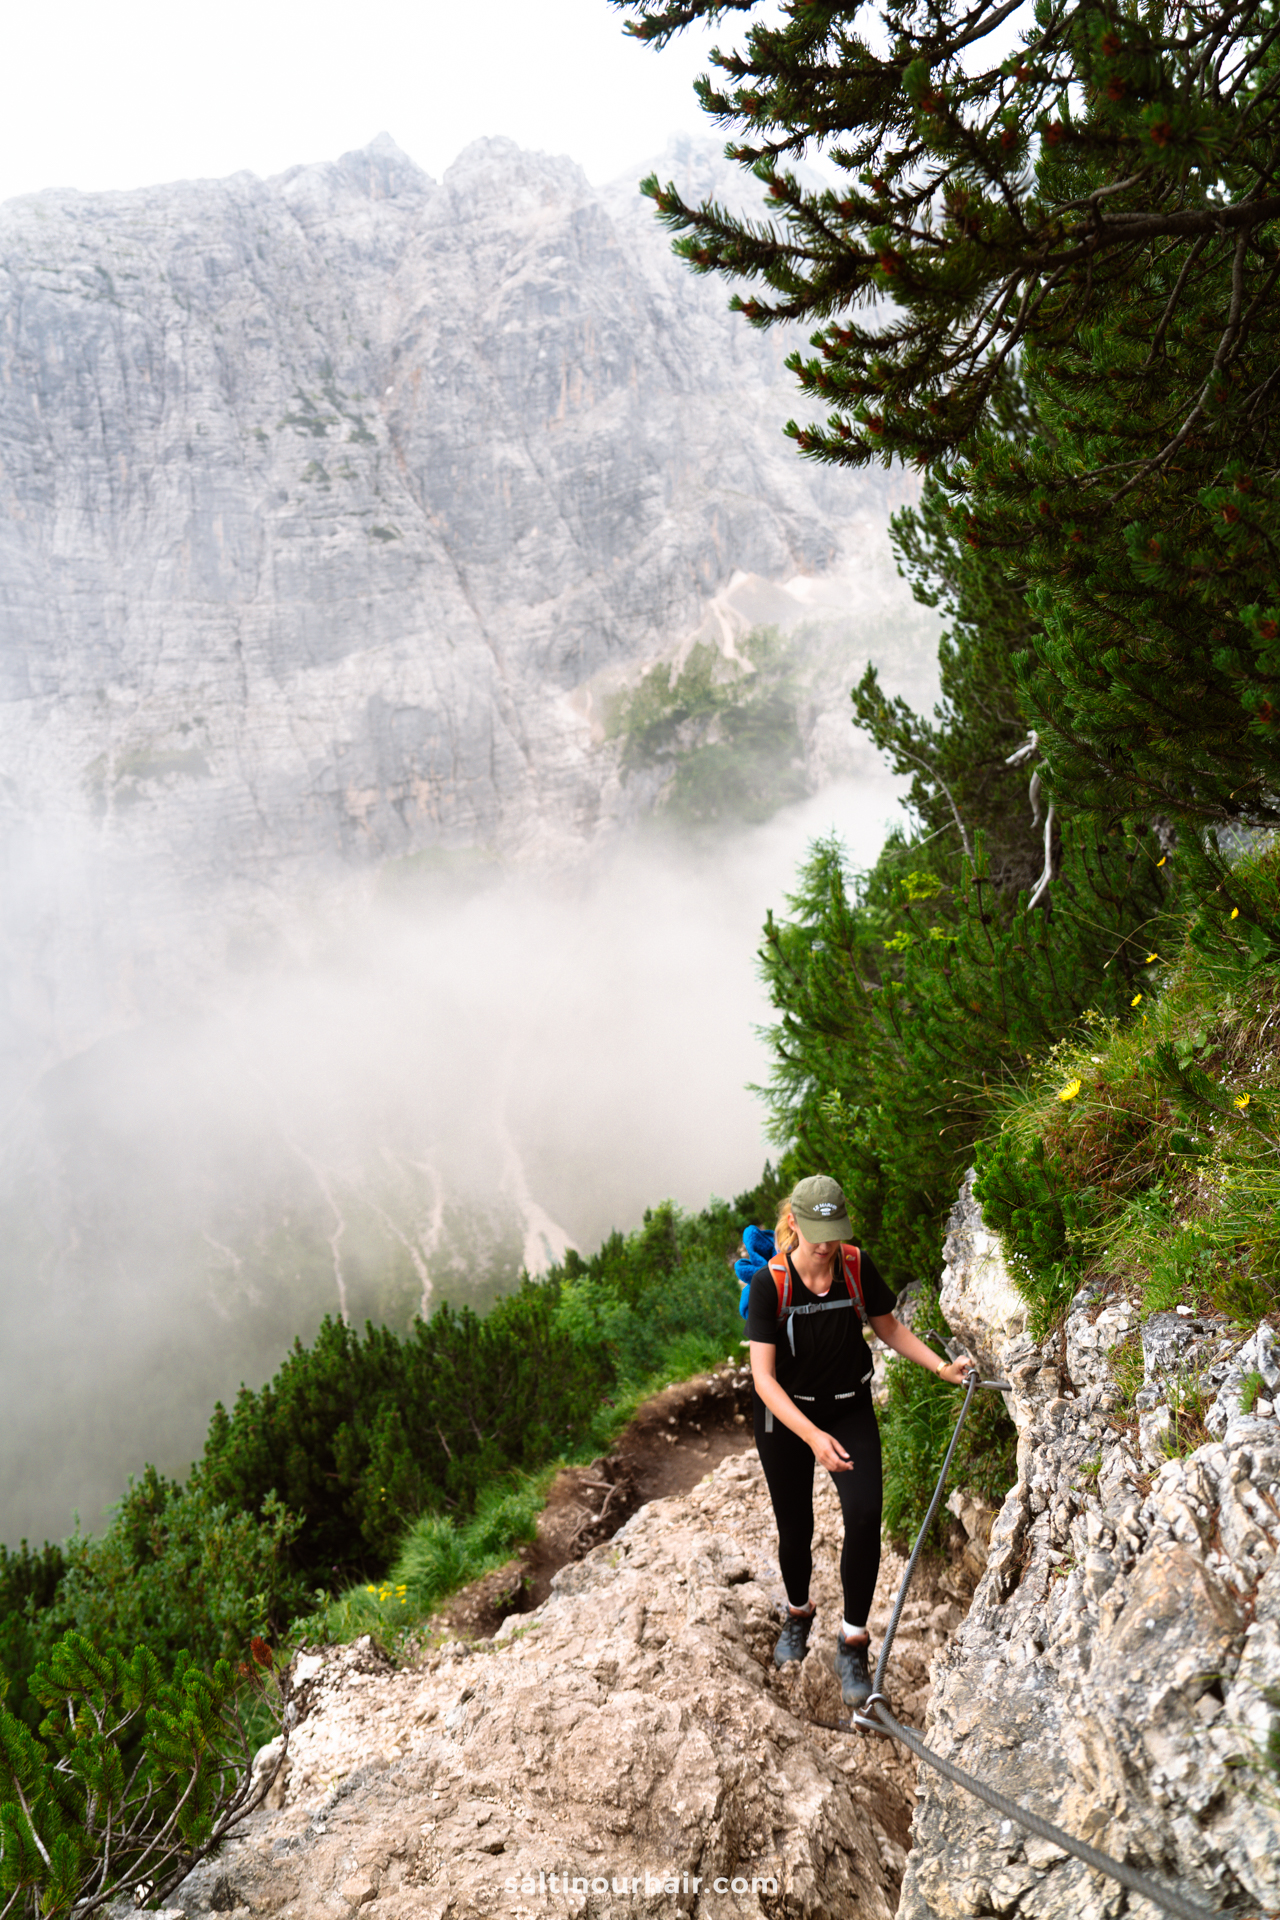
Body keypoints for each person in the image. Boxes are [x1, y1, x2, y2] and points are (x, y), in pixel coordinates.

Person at [747, 1173, 973, 1707]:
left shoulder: (853, 1264)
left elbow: (888, 1327)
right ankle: (799, 1613)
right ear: (794, 1223)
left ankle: (853, 1641)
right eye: (815, 1230)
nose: (826, 1243)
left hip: (849, 1409)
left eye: (834, 1229)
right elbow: (763, 1378)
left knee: (865, 1518)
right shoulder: (769, 1284)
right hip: (787, 1421)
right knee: (795, 1528)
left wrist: (941, 1366)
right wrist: (813, 1438)